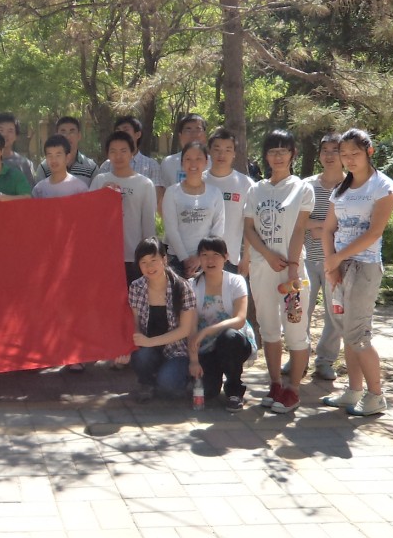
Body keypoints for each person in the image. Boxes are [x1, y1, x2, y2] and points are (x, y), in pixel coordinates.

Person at [320, 129, 393, 417]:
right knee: (346, 332)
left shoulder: (382, 186)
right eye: (344, 154)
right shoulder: (340, 189)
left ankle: (376, 396)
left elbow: (374, 232)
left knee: (358, 335)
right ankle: (353, 390)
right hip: (338, 267)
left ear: (369, 152)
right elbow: (328, 229)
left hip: (364, 267)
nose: (349, 159)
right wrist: (331, 265)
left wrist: (337, 259)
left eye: (355, 153)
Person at [244, 128, 314, 413]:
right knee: (269, 327)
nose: (278, 156)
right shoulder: (256, 190)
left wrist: (293, 267)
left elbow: (299, 229)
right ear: (265, 156)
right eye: (272, 151)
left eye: (283, 151)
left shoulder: (302, 188)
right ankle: (275, 383)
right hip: (263, 268)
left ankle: (293, 389)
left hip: (292, 271)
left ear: (292, 154)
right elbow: (249, 229)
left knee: (296, 328)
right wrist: (267, 255)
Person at [188, 237, 257, 411]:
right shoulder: (191, 285)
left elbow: (239, 319)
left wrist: (208, 330)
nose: (210, 260)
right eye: (204, 255)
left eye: (216, 255)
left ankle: (234, 390)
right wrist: (194, 361)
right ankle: (215, 372)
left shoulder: (236, 281)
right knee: (207, 391)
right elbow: (191, 327)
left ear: (226, 257)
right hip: (205, 346)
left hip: (233, 341)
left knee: (229, 337)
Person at [129, 237, 198, 403]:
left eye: (153, 260)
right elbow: (134, 323)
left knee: (169, 386)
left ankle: (172, 376)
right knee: (140, 356)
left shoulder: (182, 287)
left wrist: (150, 341)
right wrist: (130, 345)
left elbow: (185, 330)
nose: (149, 267)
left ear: (164, 259)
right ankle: (146, 382)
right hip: (147, 348)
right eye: (144, 262)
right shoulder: (136, 287)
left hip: (176, 350)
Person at [301, 132, 345, 381]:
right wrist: (323, 226)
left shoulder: (351, 185)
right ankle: (299, 357)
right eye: (324, 150)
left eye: (335, 150)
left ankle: (326, 361)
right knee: (300, 312)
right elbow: (298, 221)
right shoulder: (307, 185)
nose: (329, 156)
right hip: (307, 258)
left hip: (337, 260)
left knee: (334, 314)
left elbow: (350, 224)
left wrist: (324, 229)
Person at [90, 131, 157, 284]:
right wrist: (101, 196)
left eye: (123, 151)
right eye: (113, 151)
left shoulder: (144, 184)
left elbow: (148, 223)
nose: (118, 156)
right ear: (107, 154)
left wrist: (149, 255)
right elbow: (90, 217)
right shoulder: (100, 180)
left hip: (134, 256)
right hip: (105, 256)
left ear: (132, 153)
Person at [162, 141, 225, 277]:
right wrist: (185, 258)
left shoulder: (215, 193)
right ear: (182, 163)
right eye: (188, 159)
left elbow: (218, 228)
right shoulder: (172, 192)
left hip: (207, 260)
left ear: (206, 162)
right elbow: (171, 229)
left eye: (198, 159)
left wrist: (200, 257)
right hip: (177, 259)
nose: (193, 163)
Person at [203, 127, 254, 274]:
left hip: (231, 259)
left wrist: (246, 257)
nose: (222, 154)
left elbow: (250, 224)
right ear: (209, 151)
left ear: (234, 154)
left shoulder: (245, 184)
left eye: (228, 150)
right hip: (199, 257)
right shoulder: (199, 180)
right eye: (217, 149)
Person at [96, 116, 164, 216]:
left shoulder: (151, 165)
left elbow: (155, 200)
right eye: (118, 130)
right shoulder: (106, 166)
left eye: (125, 130)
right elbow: (95, 202)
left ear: (138, 134)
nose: (121, 133)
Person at [36, 116, 98, 186]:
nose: (67, 137)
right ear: (57, 135)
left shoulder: (91, 168)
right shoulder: (44, 168)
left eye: (72, 132)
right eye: (63, 132)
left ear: (79, 135)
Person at [161, 113, 210, 188]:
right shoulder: (168, 163)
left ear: (204, 135)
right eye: (188, 130)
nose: (194, 134)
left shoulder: (213, 163)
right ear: (180, 136)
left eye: (198, 129)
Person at [32, 134, 88, 199]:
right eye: (50, 155)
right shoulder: (39, 190)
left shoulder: (80, 189)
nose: (54, 160)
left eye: (58, 155)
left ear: (67, 158)